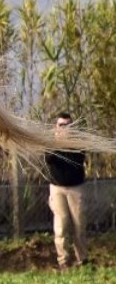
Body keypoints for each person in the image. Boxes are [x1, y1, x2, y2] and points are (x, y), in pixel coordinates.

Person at [45, 111, 88, 270]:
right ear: (56, 127)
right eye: (61, 125)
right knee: (61, 226)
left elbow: (78, 160)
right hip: (57, 189)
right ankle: (63, 261)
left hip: (76, 188)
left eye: (68, 125)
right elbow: (48, 159)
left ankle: (82, 259)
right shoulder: (51, 144)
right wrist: (56, 142)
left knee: (79, 225)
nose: (65, 128)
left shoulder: (78, 144)